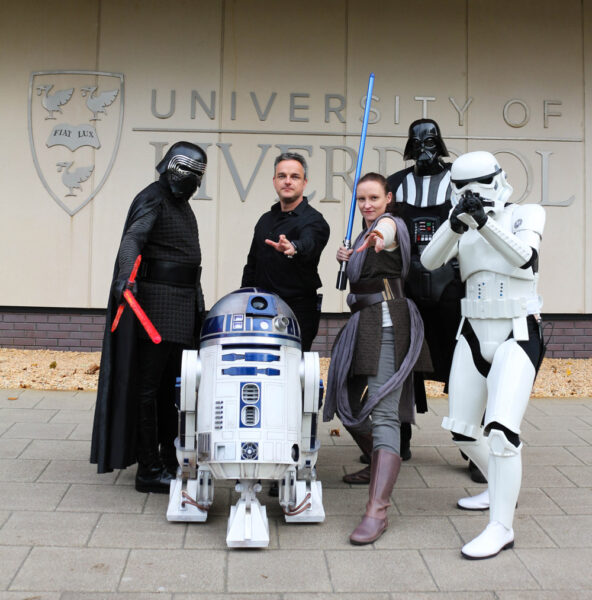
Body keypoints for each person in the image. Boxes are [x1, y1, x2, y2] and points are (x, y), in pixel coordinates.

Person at [421, 151, 546, 559]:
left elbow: (526, 261)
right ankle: (499, 484)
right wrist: (456, 226)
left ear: (499, 179)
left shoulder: (526, 213)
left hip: (516, 331)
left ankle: (501, 526)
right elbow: (428, 260)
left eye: (479, 183)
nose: (472, 193)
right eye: (462, 186)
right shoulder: (463, 226)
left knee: (502, 434)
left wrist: (485, 223)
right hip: (472, 331)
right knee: (461, 429)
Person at [91, 141, 208, 494]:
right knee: (148, 389)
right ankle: (149, 468)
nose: (195, 181)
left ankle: (169, 459)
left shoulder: (179, 205)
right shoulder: (154, 198)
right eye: (192, 172)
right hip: (155, 311)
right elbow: (133, 240)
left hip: (181, 308)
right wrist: (126, 277)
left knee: (170, 390)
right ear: (175, 168)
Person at [324, 173, 431, 545]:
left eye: (374, 198)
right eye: (361, 200)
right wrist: (349, 255)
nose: (367, 205)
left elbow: (385, 234)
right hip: (362, 322)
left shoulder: (390, 224)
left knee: (384, 411)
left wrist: (375, 239)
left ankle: (378, 511)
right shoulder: (362, 233)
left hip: (387, 321)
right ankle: (376, 461)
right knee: (344, 398)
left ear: (388, 198)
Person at [386, 119, 484, 483]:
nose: (424, 147)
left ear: (440, 141)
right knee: (402, 363)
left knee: (464, 366)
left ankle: (472, 445)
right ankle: (400, 435)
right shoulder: (395, 185)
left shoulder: (460, 183)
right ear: (409, 144)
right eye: (417, 140)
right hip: (406, 287)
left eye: (430, 139)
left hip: (452, 288)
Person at [241, 152, 330, 351]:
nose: (288, 181)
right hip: (259, 309)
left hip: (297, 311)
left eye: (294, 177)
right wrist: (242, 300)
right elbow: (251, 265)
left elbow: (310, 243)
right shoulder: (265, 220)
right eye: (282, 176)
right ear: (274, 181)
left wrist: (294, 248)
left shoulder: (314, 220)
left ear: (304, 182)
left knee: (290, 371)